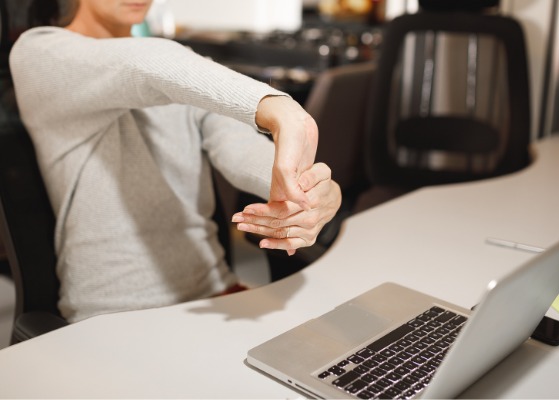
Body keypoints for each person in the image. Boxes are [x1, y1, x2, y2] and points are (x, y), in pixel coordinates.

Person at [9, 0, 341, 323]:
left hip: (218, 297)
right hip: (114, 318)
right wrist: (277, 108)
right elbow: (145, 64)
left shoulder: (187, 73)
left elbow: (240, 149)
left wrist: (312, 191)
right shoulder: (38, 53)